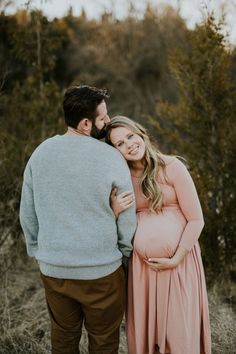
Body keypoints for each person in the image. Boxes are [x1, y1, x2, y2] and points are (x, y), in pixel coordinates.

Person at [19, 86, 137, 354]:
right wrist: (123, 252)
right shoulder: (110, 157)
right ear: (85, 123)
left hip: (54, 269)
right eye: (102, 118)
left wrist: (38, 250)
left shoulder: (40, 153)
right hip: (102, 271)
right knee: (104, 341)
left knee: (62, 338)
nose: (108, 122)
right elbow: (127, 212)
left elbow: (27, 211)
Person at [106, 116, 211, 354]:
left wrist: (176, 258)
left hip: (179, 264)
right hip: (143, 271)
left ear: (141, 133)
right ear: (114, 152)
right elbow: (111, 227)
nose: (129, 144)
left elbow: (196, 220)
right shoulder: (120, 180)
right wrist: (112, 210)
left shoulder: (172, 167)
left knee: (179, 330)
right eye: (120, 143)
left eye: (130, 136)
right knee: (147, 334)